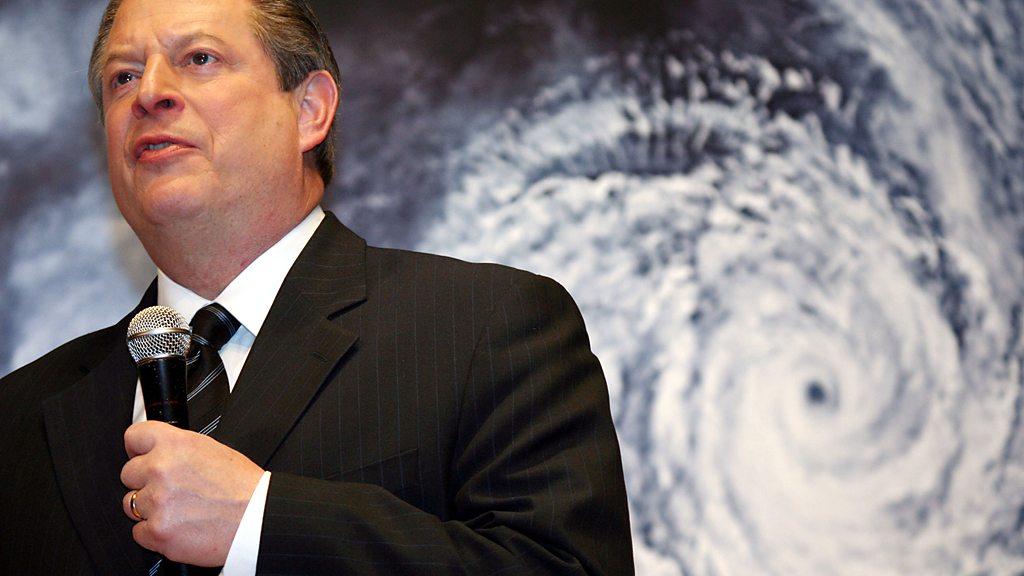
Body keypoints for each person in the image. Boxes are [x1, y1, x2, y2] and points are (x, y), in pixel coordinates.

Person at [0, 0, 634, 574]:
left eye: (199, 59)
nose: (150, 93)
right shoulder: (19, 414)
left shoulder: (485, 328)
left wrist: (260, 526)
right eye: (123, 77)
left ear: (309, 111)